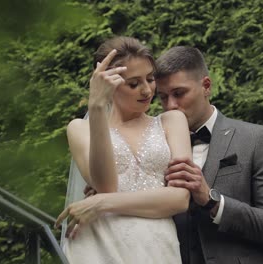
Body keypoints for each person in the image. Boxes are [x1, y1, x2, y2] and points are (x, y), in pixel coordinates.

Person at [55, 37, 193, 263]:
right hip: (98, 244)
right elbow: (106, 185)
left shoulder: (172, 121)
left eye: (150, 79)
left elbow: (179, 199)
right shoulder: (79, 129)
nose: (147, 90)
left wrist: (101, 203)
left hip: (157, 246)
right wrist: (97, 107)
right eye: (133, 83)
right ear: (108, 83)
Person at [155, 46, 263, 264]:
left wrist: (212, 200)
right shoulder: (154, 147)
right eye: (163, 97)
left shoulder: (255, 139)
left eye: (179, 93)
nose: (171, 106)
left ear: (206, 86)